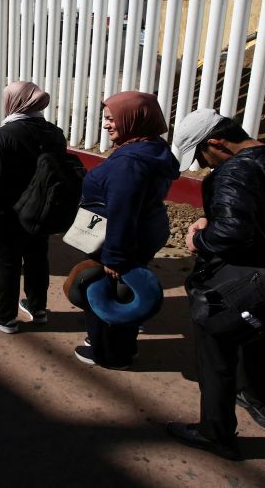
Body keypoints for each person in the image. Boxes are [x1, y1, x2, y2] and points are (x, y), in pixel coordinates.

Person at [166, 109, 265, 460]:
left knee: (216, 351)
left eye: (201, 155)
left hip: (241, 279)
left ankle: (215, 432)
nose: (202, 165)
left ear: (217, 142)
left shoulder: (234, 171)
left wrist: (199, 238)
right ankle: (260, 400)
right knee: (257, 331)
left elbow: (234, 232)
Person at [73, 92, 179, 368]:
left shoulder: (129, 163)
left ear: (134, 120)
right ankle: (121, 345)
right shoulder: (152, 147)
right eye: (105, 119)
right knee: (125, 288)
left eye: (112, 119)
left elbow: (122, 211)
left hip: (118, 240)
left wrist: (115, 257)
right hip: (146, 230)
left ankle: (109, 354)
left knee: (106, 293)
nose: (107, 125)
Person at [0, 81, 68, 332]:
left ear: (14, 102)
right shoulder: (54, 133)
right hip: (41, 211)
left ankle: (6, 317)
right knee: (38, 258)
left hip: (7, 213)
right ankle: (38, 308)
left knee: (8, 264)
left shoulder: (4, 135)